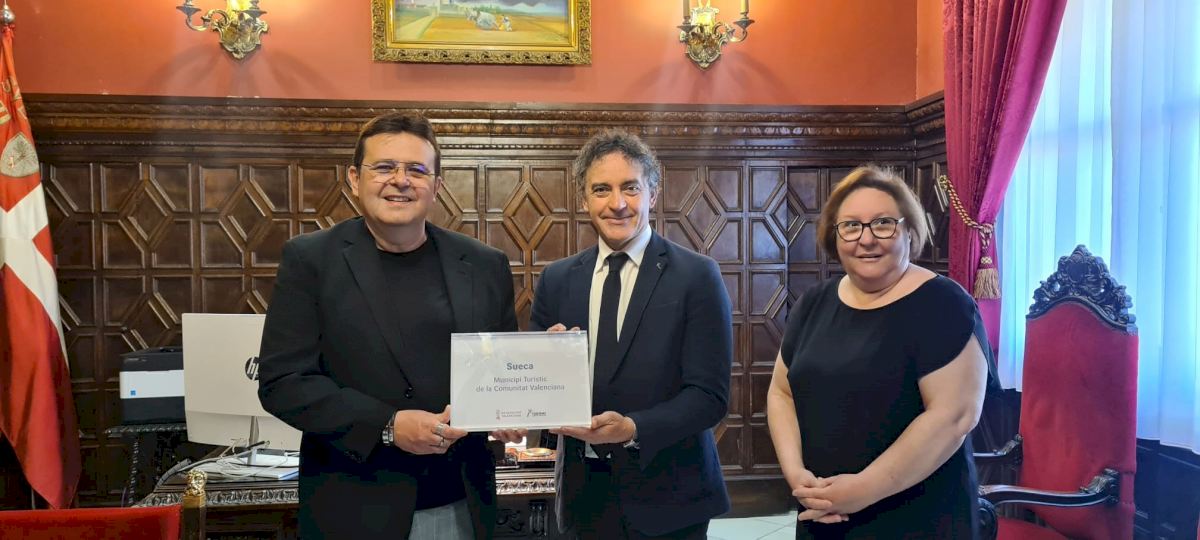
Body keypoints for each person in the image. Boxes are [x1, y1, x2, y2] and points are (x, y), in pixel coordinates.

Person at [256, 112, 517, 539]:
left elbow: (500, 374)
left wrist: (531, 384)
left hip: (461, 505)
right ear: (354, 179)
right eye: (384, 167)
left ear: (437, 185)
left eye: (417, 170)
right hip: (352, 510)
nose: (401, 180)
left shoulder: (485, 265)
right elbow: (282, 383)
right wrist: (387, 424)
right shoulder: (311, 261)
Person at [766, 165, 991, 539]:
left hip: (917, 518)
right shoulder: (814, 302)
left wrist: (862, 490)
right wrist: (798, 476)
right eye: (851, 226)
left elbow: (953, 418)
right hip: (825, 511)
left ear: (909, 231)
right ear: (834, 235)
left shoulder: (944, 303)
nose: (866, 239)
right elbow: (781, 393)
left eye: (883, 223)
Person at [529, 129, 733, 539]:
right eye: (601, 189)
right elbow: (536, 386)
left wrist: (633, 428)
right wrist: (543, 369)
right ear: (584, 199)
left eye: (631, 188)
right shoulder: (558, 280)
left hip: (672, 497)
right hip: (584, 495)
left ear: (652, 194)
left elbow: (709, 398)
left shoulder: (697, 276)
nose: (617, 203)